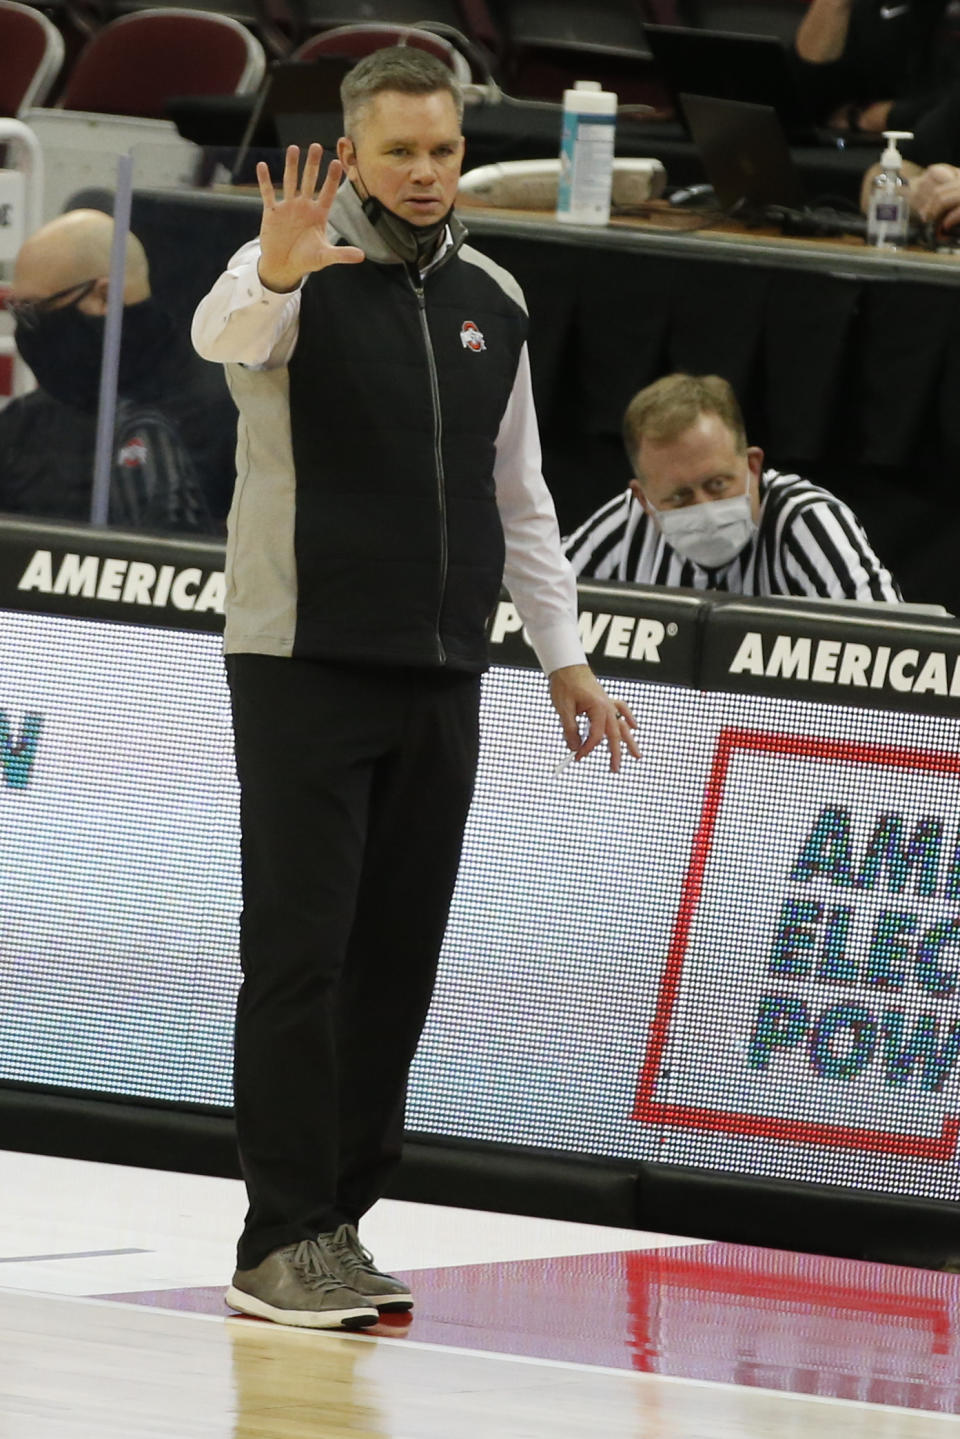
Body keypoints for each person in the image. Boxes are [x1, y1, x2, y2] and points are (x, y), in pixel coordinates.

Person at [191, 46, 639, 1332]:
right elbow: (221, 332)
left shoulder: (493, 295)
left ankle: (337, 1221)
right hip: (302, 657)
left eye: (443, 150)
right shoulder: (291, 272)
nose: (427, 173)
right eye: (400, 152)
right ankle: (275, 1235)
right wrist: (275, 261)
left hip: (443, 666)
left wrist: (563, 653)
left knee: (395, 961)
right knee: (299, 956)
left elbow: (523, 496)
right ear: (353, 152)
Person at [564, 373, 901, 601]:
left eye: (717, 484)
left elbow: (889, 642)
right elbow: (530, 595)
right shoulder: (630, 521)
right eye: (680, 496)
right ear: (645, 499)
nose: (704, 507)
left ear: (753, 467)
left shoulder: (805, 520)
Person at [1, 209, 235, 531]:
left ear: (104, 295)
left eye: (35, 310)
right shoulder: (23, 425)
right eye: (17, 310)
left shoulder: (230, 414)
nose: (26, 329)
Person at [790, 0, 960, 139]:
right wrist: (833, 4)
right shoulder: (876, 9)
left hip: (937, 150)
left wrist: (887, 116)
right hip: (869, 145)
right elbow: (805, 102)